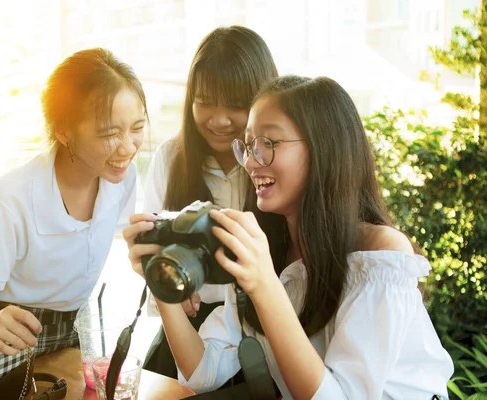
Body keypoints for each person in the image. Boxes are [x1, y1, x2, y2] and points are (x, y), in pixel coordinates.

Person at [125, 75, 454, 398]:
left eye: (268, 143)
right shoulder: (268, 247)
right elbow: (204, 371)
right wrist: (161, 279)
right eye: (250, 145)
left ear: (323, 149)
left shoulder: (379, 254)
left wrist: (264, 283)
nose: (251, 162)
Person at [0, 48, 148, 357]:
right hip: (10, 340)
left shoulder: (123, 177)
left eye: (137, 128)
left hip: (76, 334)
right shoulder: (7, 200)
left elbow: (123, 247)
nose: (128, 147)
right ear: (63, 130)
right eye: (110, 133)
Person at [141, 25, 278, 378]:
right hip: (186, 328)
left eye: (235, 105)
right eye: (205, 102)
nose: (219, 120)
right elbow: (152, 248)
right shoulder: (171, 158)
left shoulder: (275, 164)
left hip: (266, 328)